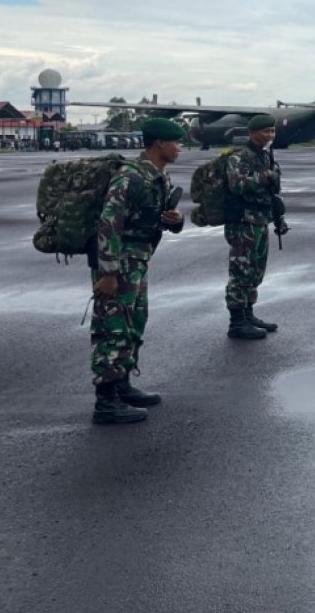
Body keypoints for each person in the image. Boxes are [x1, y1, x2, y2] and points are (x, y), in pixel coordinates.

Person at [89, 117, 186, 425]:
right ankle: (106, 401)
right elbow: (108, 223)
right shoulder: (130, 177)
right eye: (177, 142)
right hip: (119, 263)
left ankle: (123, 385)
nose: (180, 148)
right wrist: (107, 273)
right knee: (113, 327)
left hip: (138, 260)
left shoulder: (158, 175)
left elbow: (154, 218)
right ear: (160, 143)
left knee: (134, 322)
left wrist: (175, 220)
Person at [223, 114, 286, 340]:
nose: (269, 135)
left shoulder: (264, 156)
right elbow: (237, 185)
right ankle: (237, 322)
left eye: (272, 131)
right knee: (241, 271)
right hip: (242, 222)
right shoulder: (240, 156)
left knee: (256, 271)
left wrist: (279, 219)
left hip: (260, 220)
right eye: (265, 131)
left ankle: (248, 314)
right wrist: (264, 176)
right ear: (252, 133)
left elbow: (271, 194)